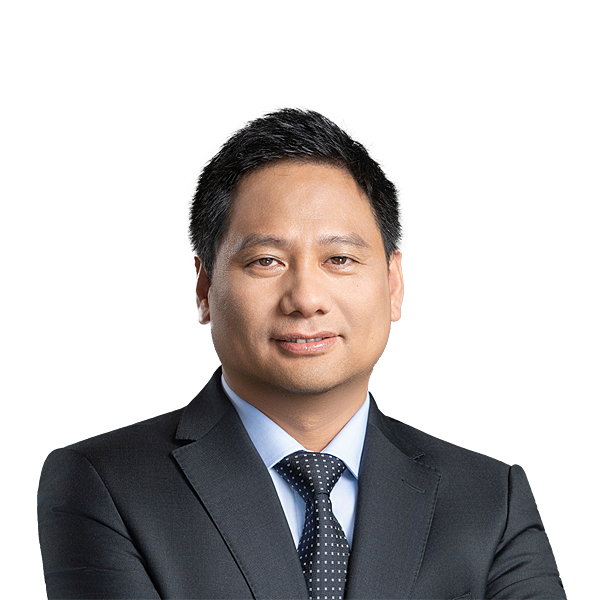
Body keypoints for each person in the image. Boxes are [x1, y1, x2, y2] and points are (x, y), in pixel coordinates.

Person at [37, 109, 566, 600]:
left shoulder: (490, 500)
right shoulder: (105, 485)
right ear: (204, 287)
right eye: (266, 261)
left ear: (393, 283)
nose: (306, 299)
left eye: (340, 258)